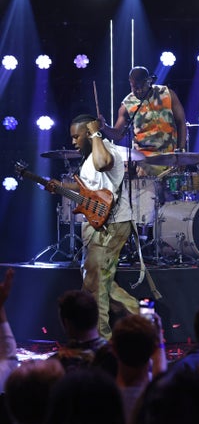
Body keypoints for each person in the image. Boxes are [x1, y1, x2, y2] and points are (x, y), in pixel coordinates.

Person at [46, 115, 139, 339]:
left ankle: (102, 338)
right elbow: (88, 189)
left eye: (77, 136)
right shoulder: (90, 157)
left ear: (89, 133)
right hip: (98, 223)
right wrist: (60, 186)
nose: (73, 141)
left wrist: (97, 133)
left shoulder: (106, 151)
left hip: (112, 224)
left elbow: (103, 163)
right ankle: (139, 316)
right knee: (96, 277)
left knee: (96, 283)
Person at [101, 66, 187, 175]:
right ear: (130, 83)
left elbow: (181, 122)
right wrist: (104, 127)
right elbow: (118, 134)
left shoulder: (167, 94)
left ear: (149, 81)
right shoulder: (127, 104)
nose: (139, 90)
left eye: (142, 86)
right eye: (135, 87)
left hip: (169, 160)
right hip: (143, 164)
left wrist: (181, 151)